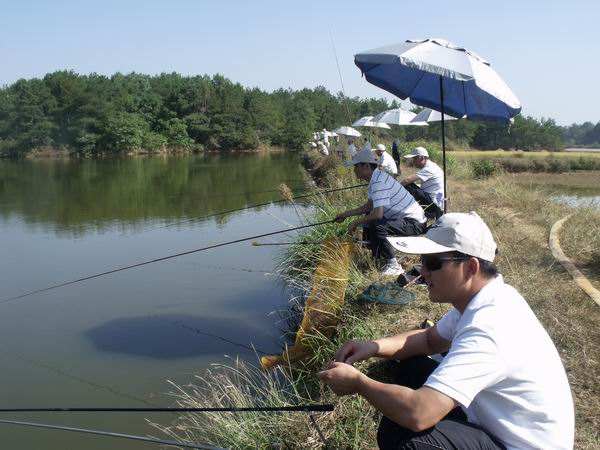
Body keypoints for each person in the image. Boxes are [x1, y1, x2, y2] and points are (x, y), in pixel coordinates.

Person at [319, 212, 574, 450]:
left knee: (402, 435)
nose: (422, 272)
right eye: (422, 261)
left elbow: (419, 414)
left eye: (433, 262)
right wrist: (372, 347)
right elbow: (429, 340)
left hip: (518, 444)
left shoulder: (489, 328)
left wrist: (360, 383)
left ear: (471, 268)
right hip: (497, 422)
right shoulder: (485, 298)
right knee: (410, 365)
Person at [336, 147, 426, 276]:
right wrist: (345, 215)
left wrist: (355, 223)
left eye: (356, 167)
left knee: (377, 223)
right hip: (406, 220)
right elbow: (368, 207)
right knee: (370, 217)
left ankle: (394, 265)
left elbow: (378, 214)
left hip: (414, 223)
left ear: (366, 166)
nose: (354, 170)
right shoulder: (376, 178)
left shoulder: (378, 181)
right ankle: (375, 253)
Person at [401, 146, 444, 219]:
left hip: (433, 204)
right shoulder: (432, 165)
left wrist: (394, 188)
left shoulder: (429, 168)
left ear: (421, 158)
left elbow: (407, 180)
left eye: (414, 159)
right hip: (436, 201)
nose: (413, 161)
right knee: (411, 186)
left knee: (408, 186)